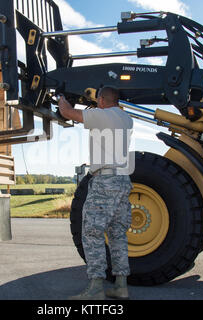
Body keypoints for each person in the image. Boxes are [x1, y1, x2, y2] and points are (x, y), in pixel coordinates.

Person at [58, 86, 134, 300]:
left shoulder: (101, 116)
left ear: (101, 99)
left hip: (105, 181)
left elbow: (67, 112)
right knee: (117, 233)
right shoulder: (127, 119)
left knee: (92, 232)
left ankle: (96, 288)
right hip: (123, 179)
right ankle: (120, 285)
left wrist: (61, 96)